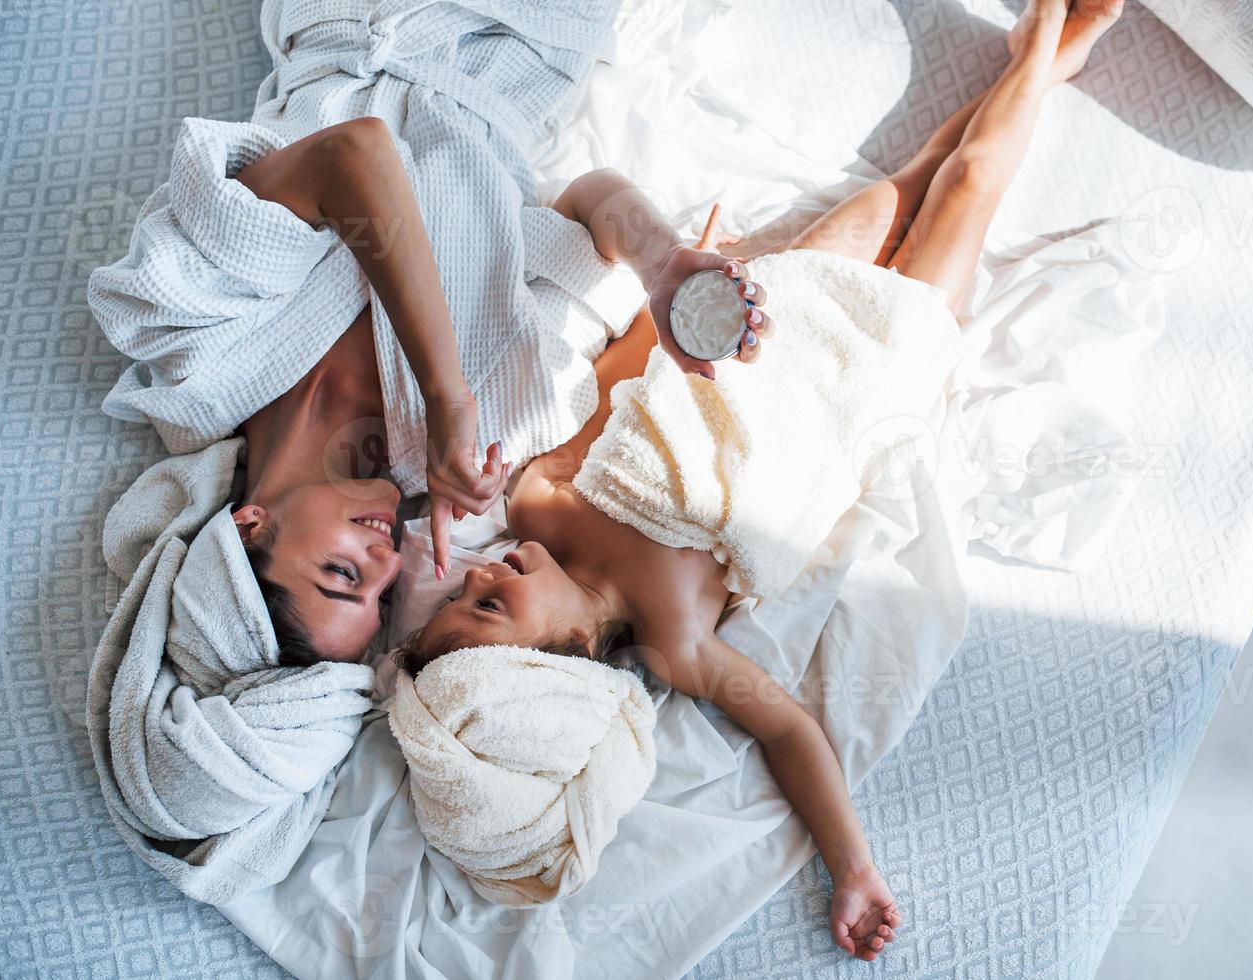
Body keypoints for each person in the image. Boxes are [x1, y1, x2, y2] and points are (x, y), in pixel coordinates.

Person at [400, 0, 1122, 961]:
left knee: (913, 183)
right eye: (493, 605)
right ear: (566, 652)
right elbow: (789, 734)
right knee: (973, 184)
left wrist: (690, 286)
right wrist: (852, 864)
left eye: (467, 588)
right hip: (865, 379)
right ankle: (1042, 50)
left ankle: (1041, 69)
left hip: (777, 317)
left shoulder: (538, 496)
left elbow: (626, 375)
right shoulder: (676, 644)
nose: (481, 574)